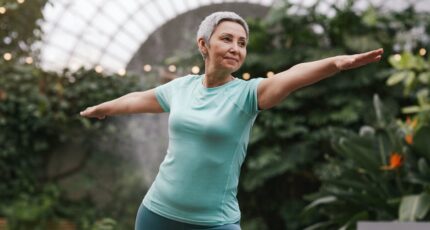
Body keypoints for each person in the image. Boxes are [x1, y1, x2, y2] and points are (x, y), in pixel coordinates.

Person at [80, 11, 383, 230]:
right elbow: (136, 100)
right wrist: (102, 107)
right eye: (227, 39)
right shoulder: (180, 88)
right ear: (204, 45)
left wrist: (335, 63)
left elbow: (293, 75)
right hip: (157, 214)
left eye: (242, 43)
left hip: (215, 222)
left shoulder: (248, 94)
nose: (236, 48)